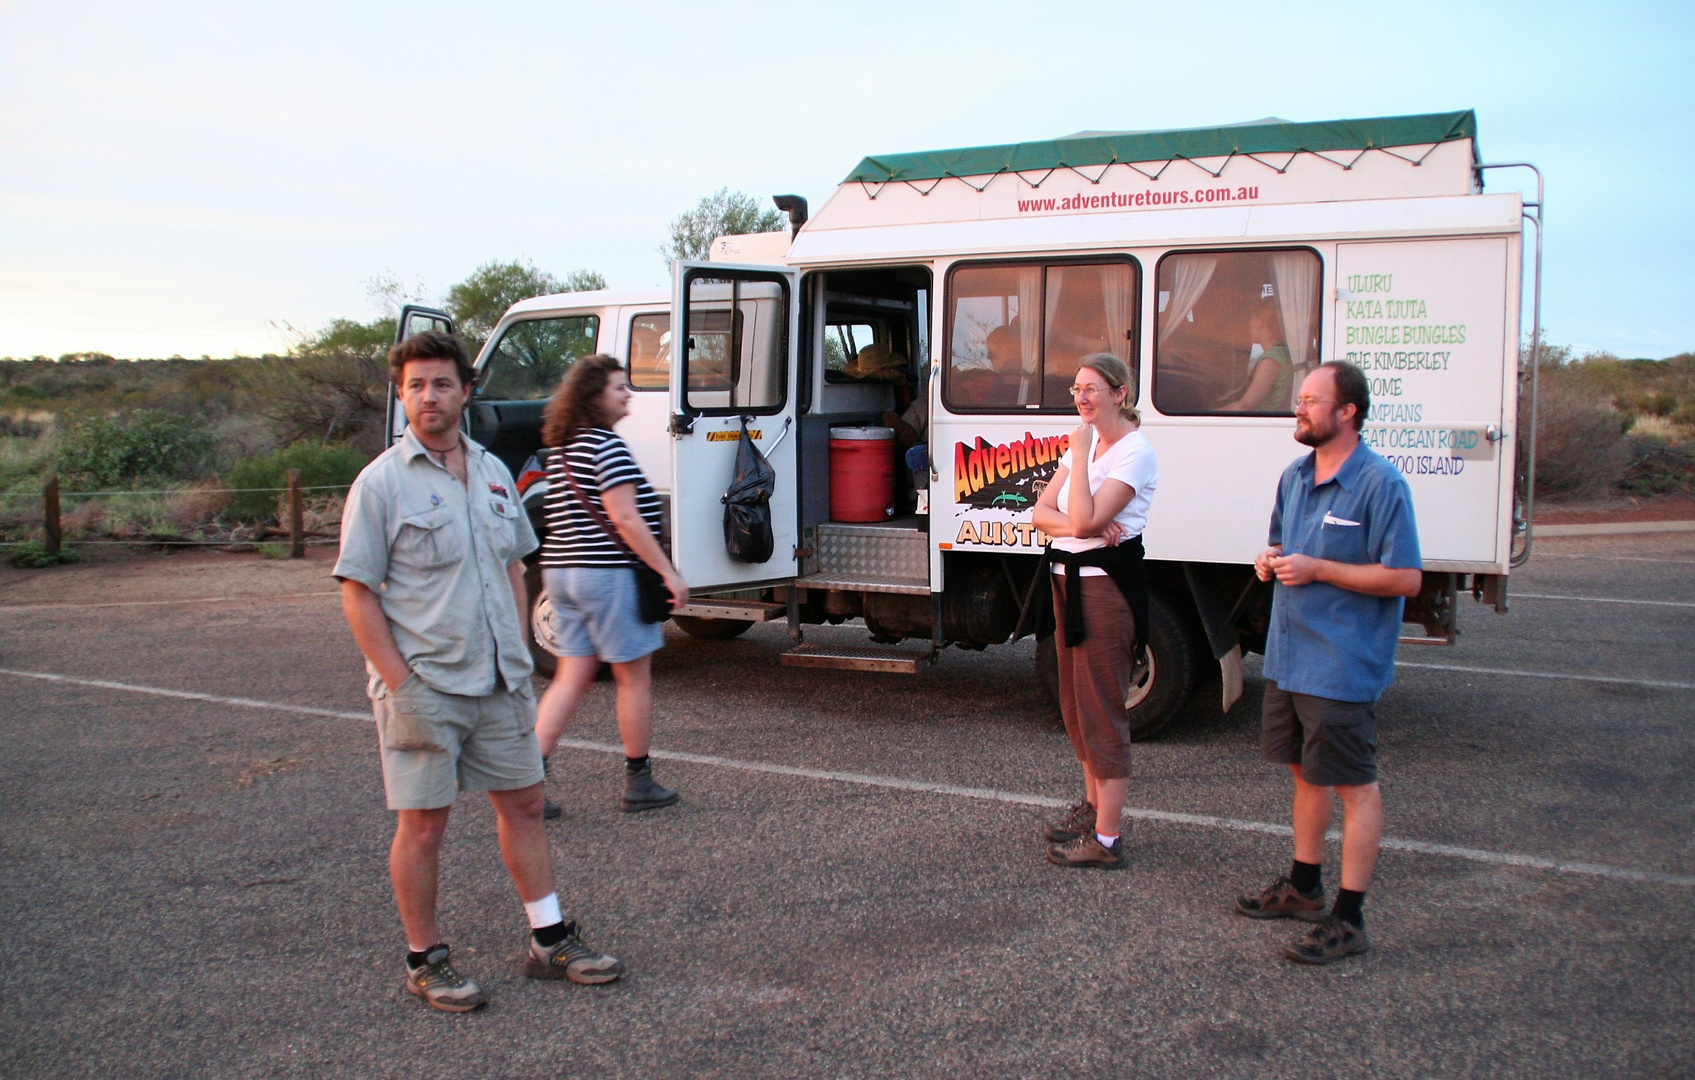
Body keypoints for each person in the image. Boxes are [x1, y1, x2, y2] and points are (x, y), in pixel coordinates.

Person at [334, 331, 623, 1013]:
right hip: (425, 684)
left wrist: (521, 661)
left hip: (499, 680)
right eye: (414, 385)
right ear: (401, 395)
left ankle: (549, 938)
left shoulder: (495, 472)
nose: (428, 397)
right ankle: (425, 958)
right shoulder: (380, 484)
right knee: (424, 824)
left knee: (523, 805)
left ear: (466, 391)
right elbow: (357, 592)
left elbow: (512, 566)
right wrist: (400, 684)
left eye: (440, 383)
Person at [1233, 360, 1421, 964]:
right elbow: (1285, 545)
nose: (1300, 409)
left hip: (1341, 662)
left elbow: (1406, 578)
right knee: (1303, 772)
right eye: (1300, 399)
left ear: (1347, 412)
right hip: (1291, 658)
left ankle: (1350, 917)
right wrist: (1273, 561)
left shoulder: (1380, 485)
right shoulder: (1294, 476)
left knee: (1354, 787)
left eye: (1312, 400)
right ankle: (1304, 885)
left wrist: (1321, 569)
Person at [533, 355, 689, 813]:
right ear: (593, 395)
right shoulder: (607, 446)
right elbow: (626, 519)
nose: (628, 394)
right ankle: (638, 781)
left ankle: (529, 780)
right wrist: (668, 572)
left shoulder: (564, 449)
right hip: (605, 576)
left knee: (570, 678)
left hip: (560, 574)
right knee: (633, 679)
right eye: (619, 387)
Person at [1031, 352, 1158, 870]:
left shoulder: (1132, 451)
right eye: (1076, 389)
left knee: (1103, 708)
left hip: (1106, 589)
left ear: (1120, 393)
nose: (1081, 398)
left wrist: (1079, 462)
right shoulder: (1089, 444)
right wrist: (1076, 523)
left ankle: (1107, 839)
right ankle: (1092, 805)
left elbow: (1081, 519)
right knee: (1074, 704)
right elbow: (1041, 515)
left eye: (1091, 389)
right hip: (1067, 582)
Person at [1220, 301, 1295, 413]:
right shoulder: (1283, 353)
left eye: (1250, 320)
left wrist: (1206, 415)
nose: (1248, 325)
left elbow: (1246, 405)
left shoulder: (1272, 360)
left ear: (1259, 322)